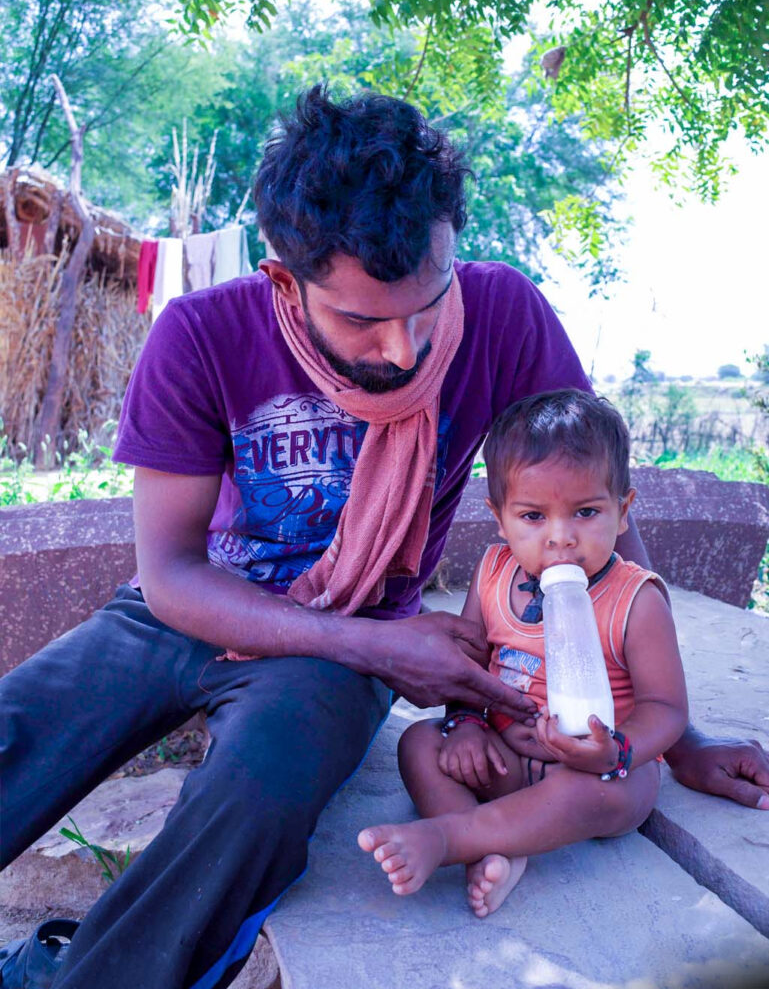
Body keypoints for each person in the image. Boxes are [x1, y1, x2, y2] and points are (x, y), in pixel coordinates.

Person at [0, 85, 767, 989]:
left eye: (426, 305)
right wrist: (377, 646)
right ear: (285, 281)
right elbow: (169, 575)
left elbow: (592, 528)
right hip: (193, 613)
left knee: (257, 794)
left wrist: (669, 737)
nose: (403, 350)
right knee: (18, 732)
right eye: (363, 319)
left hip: (334, 652)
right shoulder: (200, 333)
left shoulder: (502, 317)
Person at [358, 389, 689, 916]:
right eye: (533, 516)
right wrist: (465, 724)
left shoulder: (636, 600)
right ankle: (498, 852)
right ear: (499, 517)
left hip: (593, 773)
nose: (561, 539)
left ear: (622, 511)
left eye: (585, 512)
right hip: (505, 754)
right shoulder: (492, 574)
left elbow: (667, 709)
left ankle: (451, 839)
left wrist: (617, 750)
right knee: (421, 744)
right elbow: (465, 669)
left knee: (607, 793)